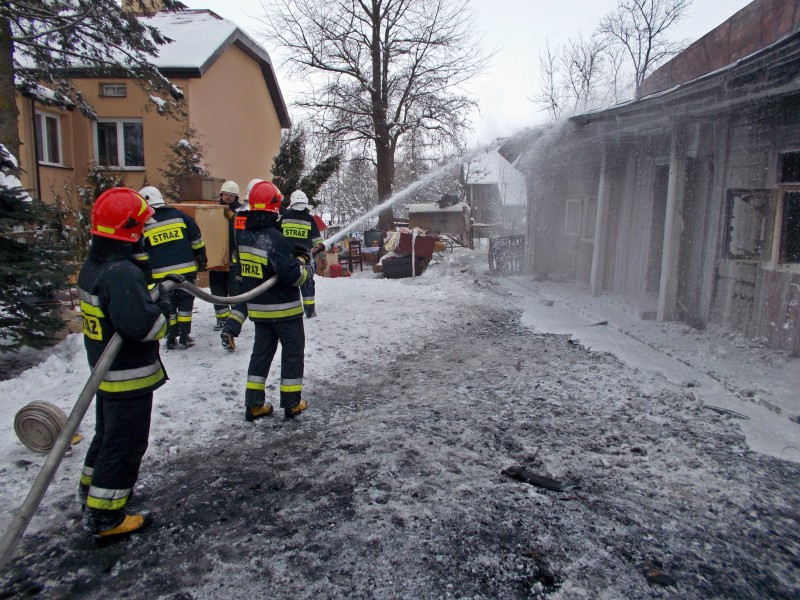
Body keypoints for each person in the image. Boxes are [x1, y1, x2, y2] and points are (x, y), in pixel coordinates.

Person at [76, 187, 176, 538]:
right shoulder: (120, 273)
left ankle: (90, 491)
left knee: (106, 435)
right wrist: (164, 308)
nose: (145, 232)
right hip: (128, 376)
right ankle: (107, 516)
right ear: (129, 230)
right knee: (126, 442)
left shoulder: (95, 267)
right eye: (141, 227)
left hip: (106, 375)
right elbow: (143, 327)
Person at [236, 181, 314, 421]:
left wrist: (292, 259)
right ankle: (291, 402)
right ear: (275, 206)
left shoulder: (245, 236)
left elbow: (260, 269)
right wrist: (304, 267)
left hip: (260, 311)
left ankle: (254, 404)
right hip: (284, 311)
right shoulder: (274, 238)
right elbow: (292, 277)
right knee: (292, 353)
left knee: (260, 355)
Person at [138, 186, 207, 349]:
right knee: (185, 303)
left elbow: (141, 253)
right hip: (185, 272)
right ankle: (184, 336)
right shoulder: (180, 216)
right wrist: (202, 260)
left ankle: (170, 336)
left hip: (160, 276)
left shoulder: (144, 225)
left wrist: (144, 274)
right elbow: (196, 239)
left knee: (168, 304)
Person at [220, 178, 262, 352]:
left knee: (245, 298)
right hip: (259, 264)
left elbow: (233, 239)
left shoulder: (238, 215)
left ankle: (230, 328)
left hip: (242, 264)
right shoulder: (258, 215)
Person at [280, 190, 325, 318]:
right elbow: (317, 241)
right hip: (305, 259)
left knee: (287, 285)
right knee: (307, 283)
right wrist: (320, 254)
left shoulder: (285, 217)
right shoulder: (309, 219)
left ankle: (289, 310)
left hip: (288, 258)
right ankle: (310, 310)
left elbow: (277, 237)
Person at [209, 180, 242, 331]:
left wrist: (233, 217)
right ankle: (222, 319)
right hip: (216, 257)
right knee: (217, 288)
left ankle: (234, 319)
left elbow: (242, 232)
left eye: (231, 196)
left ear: (236, 197)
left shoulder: (240, 212)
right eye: (226, 195)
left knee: (234, 288)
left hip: (233, 257)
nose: (228, 198)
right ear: (221, 194)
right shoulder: (213, 210)